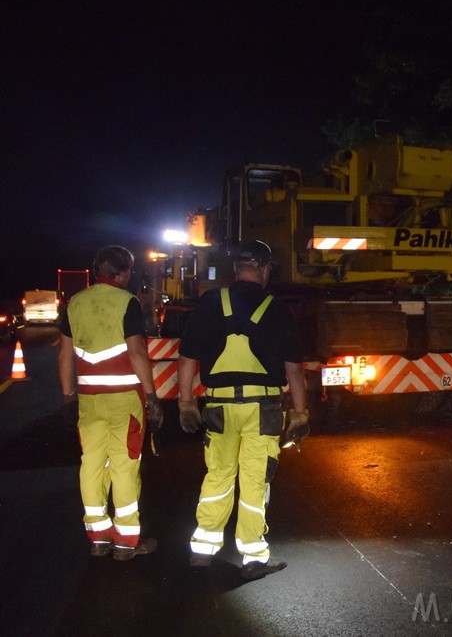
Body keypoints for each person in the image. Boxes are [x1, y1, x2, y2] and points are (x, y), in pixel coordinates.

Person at [176, 239, 308, 581]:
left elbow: (188, 359)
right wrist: (300, 412)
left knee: (218, 474)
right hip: (262, 408)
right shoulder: (276, 309)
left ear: (237, 269)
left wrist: (186, 402)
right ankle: (253, 555)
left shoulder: (209, 303)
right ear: (264, 270)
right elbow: (294, 369)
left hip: (218, 405)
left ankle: (203, 551)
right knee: (254, 479)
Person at [57, 245, 163, 561]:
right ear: (122, 272)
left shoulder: (75, 303)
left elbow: (64, 354)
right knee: (124, 465)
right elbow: (136, 353)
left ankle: (98, 537)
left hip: (89, 400)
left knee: (91, 464)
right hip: (124, 400)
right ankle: (126, 542)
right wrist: (152, 395)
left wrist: (67, 397)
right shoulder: (126, 302)